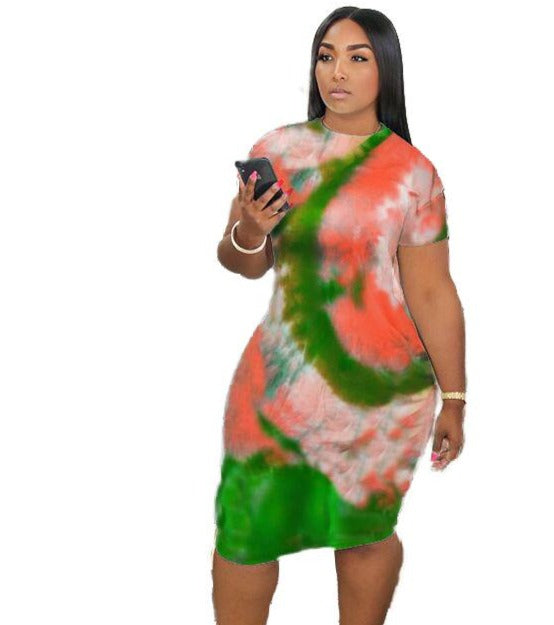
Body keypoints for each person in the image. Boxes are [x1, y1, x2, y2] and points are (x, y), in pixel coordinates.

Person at [211, 7, 466, 624]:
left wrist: (455, 397)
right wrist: (251, 229)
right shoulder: (277, 150)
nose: (338, 72)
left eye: (358, 57)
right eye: (326, 56)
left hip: (380, 399)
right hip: (276, 390)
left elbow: (432, 292)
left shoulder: (413, 173)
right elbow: (240, 260)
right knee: (244, 533)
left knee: (364, 534)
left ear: (386, 70)